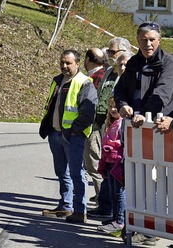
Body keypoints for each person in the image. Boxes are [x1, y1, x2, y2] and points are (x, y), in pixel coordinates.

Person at [39, 49, 98, 224]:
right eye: (62, 62)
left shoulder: (85, 83)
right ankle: (65, 206)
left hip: (73, 136)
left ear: (78, 63)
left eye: (68, 63)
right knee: (61, 172)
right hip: (55, 133)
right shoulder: (57, 80)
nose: (64, 66)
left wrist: (73, 131)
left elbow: (88, 113)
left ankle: (80, 211)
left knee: (76, 173)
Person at [88, 38, 132, 219]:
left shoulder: (129, 72)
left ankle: (118, 214)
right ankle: (104, 204)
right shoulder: (109, 71)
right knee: (104, 164)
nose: (109, 55)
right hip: (103, 122)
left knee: (115, 168)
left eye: (112, 52)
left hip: (120, 125)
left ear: (123, 51)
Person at [114, 22, 173, 128]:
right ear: (138, 41)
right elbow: (119, 89)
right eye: (144, 40)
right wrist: (122, 105)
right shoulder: (132, 62)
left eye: (152, 40)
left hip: (159, 123)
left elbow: (162, 93)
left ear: (159, 40)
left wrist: (145, 115)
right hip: (132, 122)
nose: (148, 44)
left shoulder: (169, 63)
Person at [96, 97, 126, 236]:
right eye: (111, 106)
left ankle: (120, 220)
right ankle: (115, 217)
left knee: (119, 193)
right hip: (110, 161)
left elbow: (122, 142)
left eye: (116, 107)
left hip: (118, 162)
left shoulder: (122, 123)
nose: (113, 109)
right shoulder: (112, 123)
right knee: (113, 192)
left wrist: (112, 146)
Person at [82, 48, 106, 211]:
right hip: (92, 127)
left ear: (87, 59)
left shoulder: (97, 78)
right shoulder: (99, 75)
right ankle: (101, 198)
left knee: (94, 165)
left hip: (93, 127)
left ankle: (103, 201)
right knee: (92, 164)